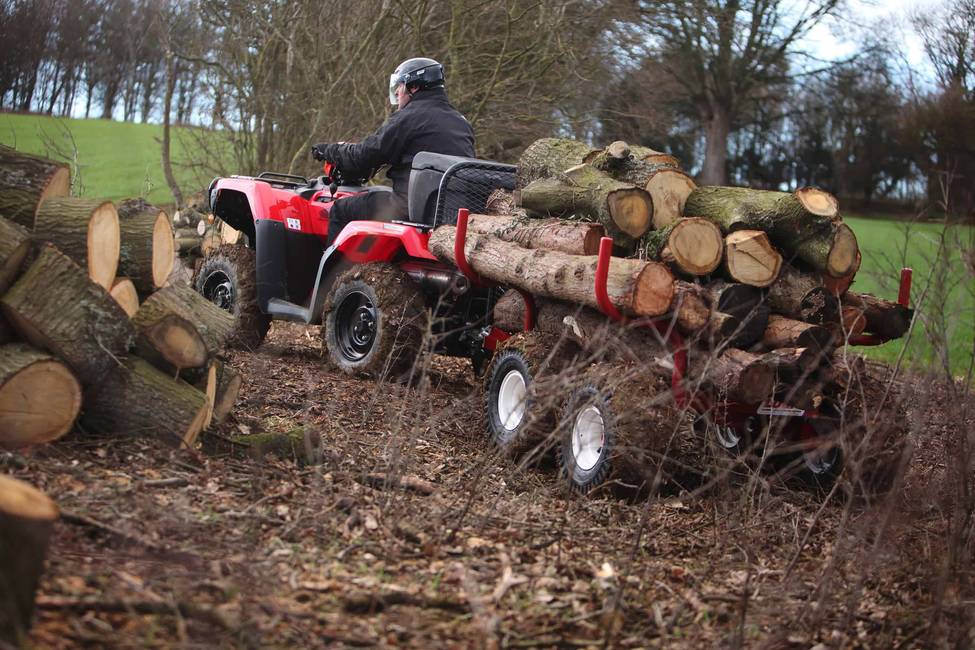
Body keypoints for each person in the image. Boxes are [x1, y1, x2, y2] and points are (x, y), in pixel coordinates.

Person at [311, 57, 476, 246]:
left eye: (400, 86)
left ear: (413, 87)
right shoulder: (461, 122)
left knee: (341, 210)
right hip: (451, 213)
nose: (397, 92)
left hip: (408, 211)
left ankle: (335, 275)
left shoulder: (409, 117)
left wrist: (330, 150)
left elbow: (365, 155)